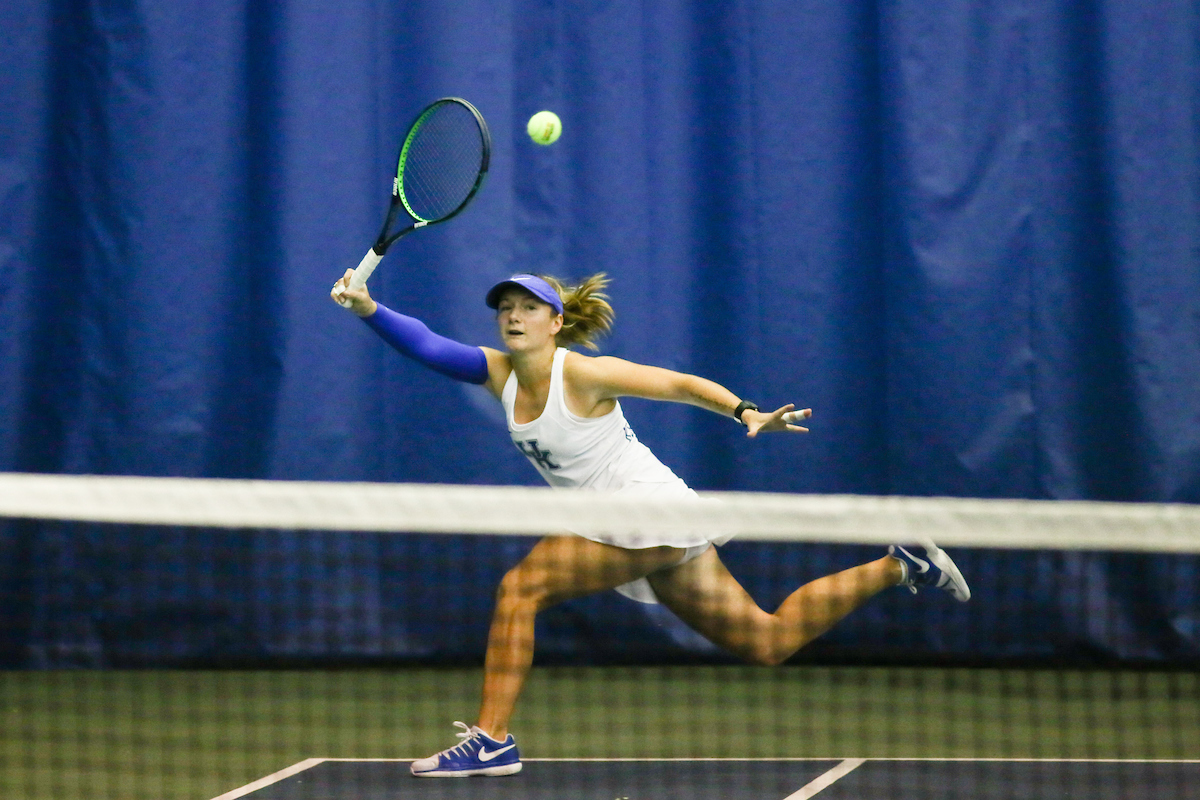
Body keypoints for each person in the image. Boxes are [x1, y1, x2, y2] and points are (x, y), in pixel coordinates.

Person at [331, 270, 970, 778]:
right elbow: (426, 344)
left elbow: (679, 383)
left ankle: (493, 741)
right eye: (506, 309)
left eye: (528, 308)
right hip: (640, 525)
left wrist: (745, 411)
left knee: (519, 589)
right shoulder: (497, 373)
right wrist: (367, 308)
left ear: (556, 323)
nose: (514, 317)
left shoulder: (580, 372)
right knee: (767, 641)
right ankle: (899, 563)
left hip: (645, 509)